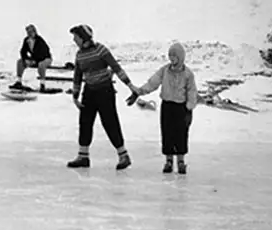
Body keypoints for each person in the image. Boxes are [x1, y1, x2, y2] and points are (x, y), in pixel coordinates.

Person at [66, 24, 139, 170]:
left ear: (82, 37)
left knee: (110, 122)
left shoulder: (100, 50)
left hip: (105, 90)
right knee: (85, 123)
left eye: (75, 37)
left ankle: (123, 155)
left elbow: (116, 68)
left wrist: (131, 86)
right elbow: (77, 76)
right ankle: (83, 156)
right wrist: (75, 96)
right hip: (89, 92)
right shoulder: (80, 54)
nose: (74, 40)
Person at [127, 42, 198, 174]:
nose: (171, 59)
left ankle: (181, 161)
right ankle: (169, 161)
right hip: (167, 106)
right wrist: (140, 91)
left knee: (181, 134)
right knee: (167, 133)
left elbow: (192, 91)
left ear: (181, 57)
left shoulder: (188, 74)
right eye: (170, 56)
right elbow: (152, 82)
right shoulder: (165, 70)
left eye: (174, 56)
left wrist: (189, 107)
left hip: (181, 108)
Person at [10, 24, 53, 92]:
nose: (29, 34)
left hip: (46, 58)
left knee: (41, 65)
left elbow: (44, 53)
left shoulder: (40, 40)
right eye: (28, 32)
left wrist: (34, 61)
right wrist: (25, 59)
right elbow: (23, 51)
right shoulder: (26, 40)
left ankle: (42, 85)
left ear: (34, 32)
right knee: (20, 62)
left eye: (30, 32)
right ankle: (19, 81)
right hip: (35, 59)